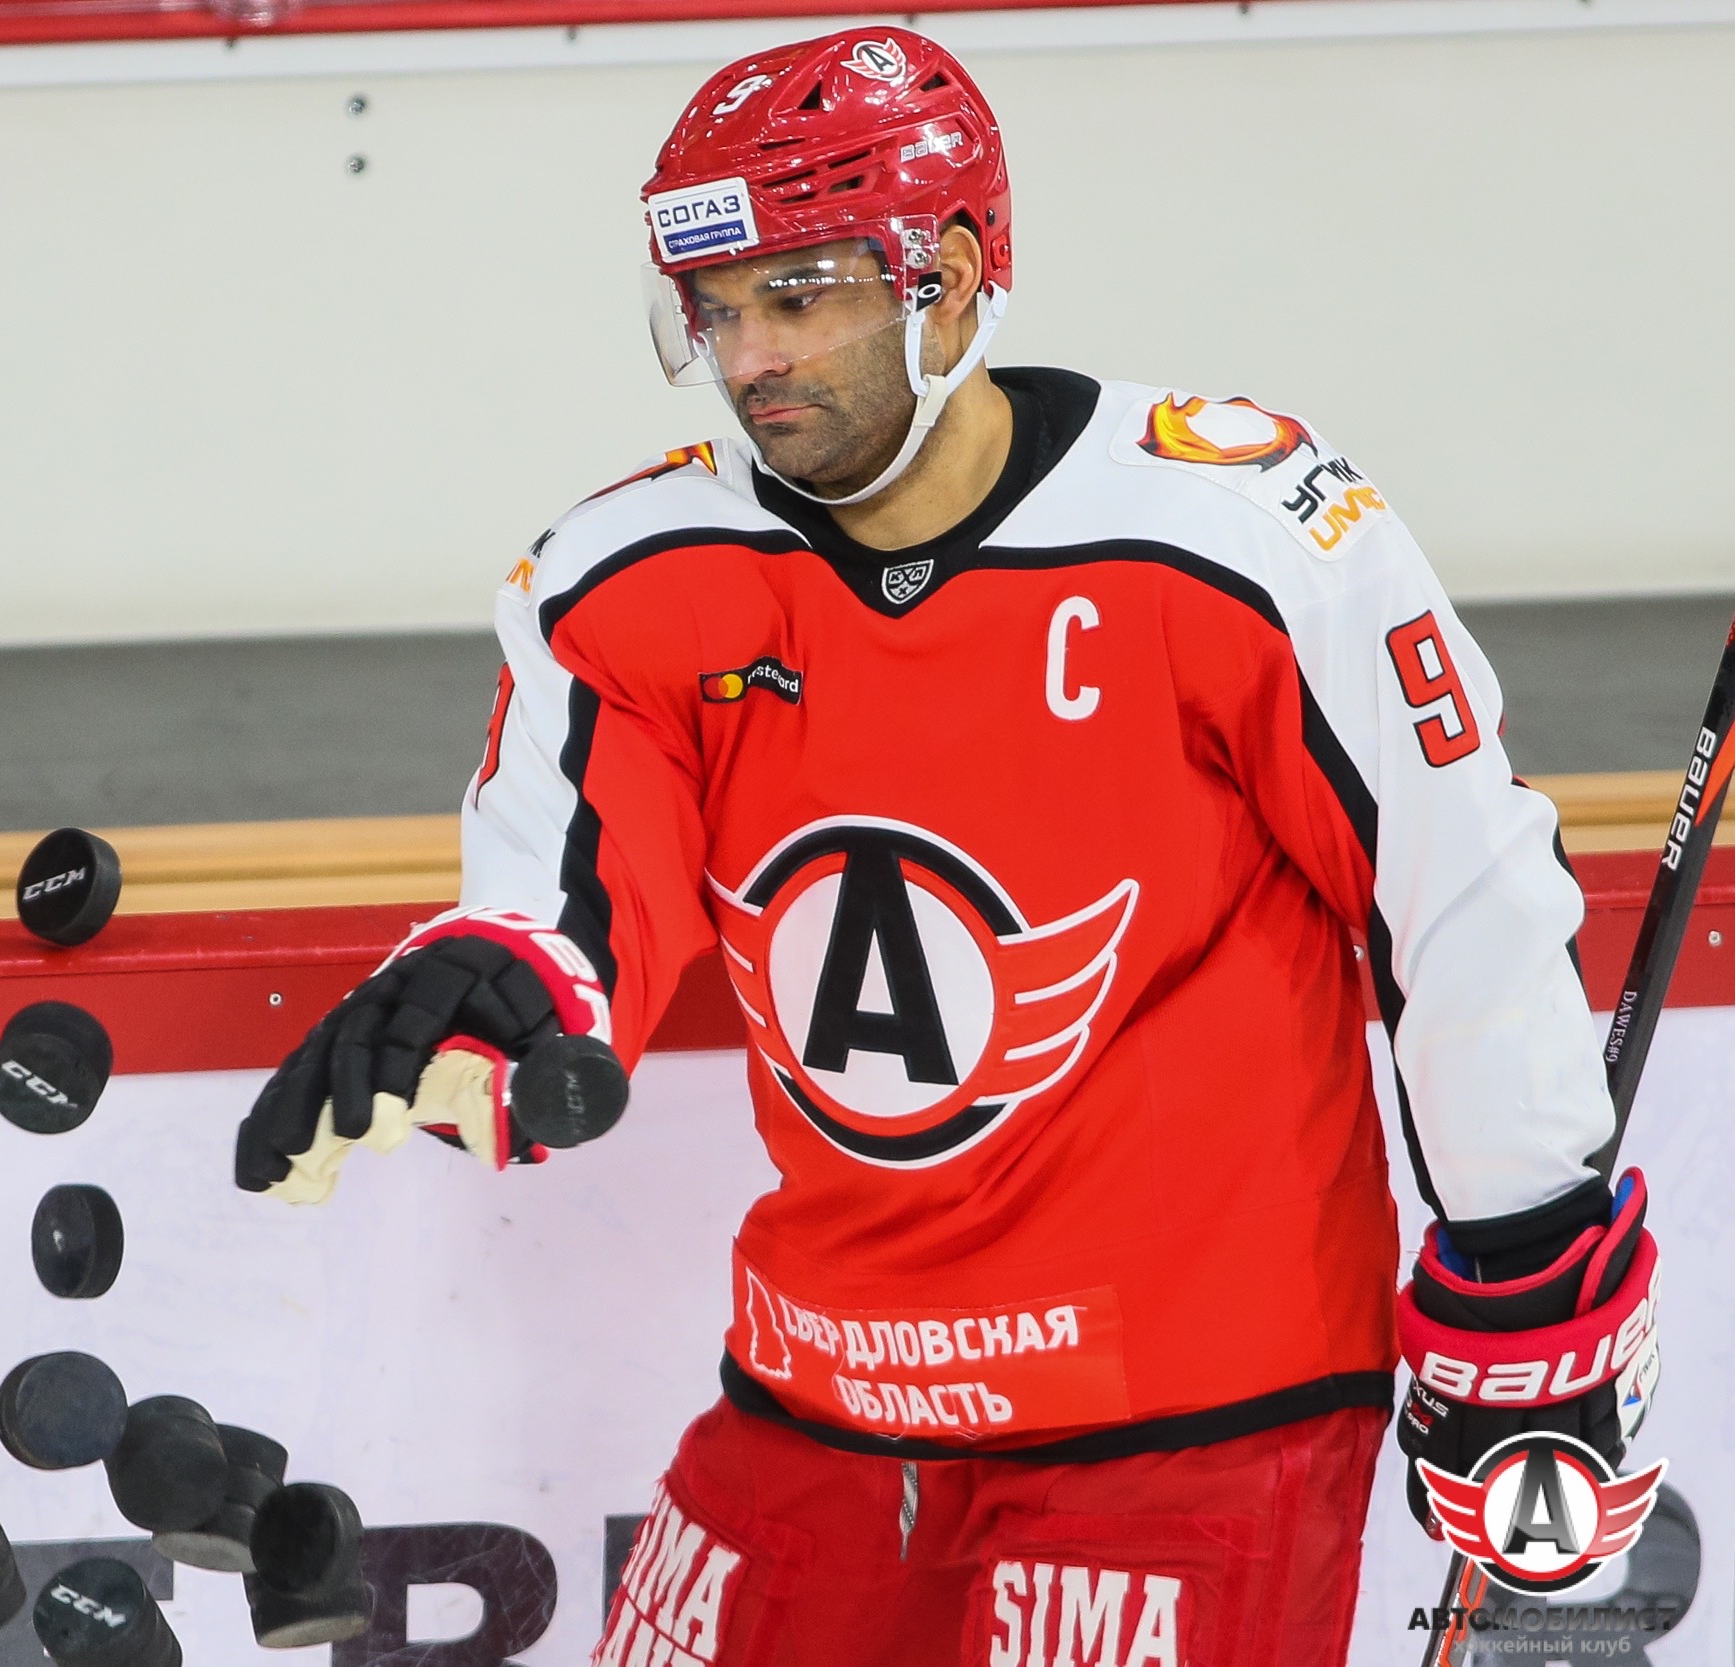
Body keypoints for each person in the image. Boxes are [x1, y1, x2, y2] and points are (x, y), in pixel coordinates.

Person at [232, 28, 1661, 1666]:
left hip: (1195, 1416)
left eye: (799, 296)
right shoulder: (630, 574)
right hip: (816, 1400)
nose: (753, 357)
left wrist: (1527, 1253)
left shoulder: (1239, 535)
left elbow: (1458, 899)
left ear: (955, 278)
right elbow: (566, 889)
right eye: (717, 309)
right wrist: (501, 985)